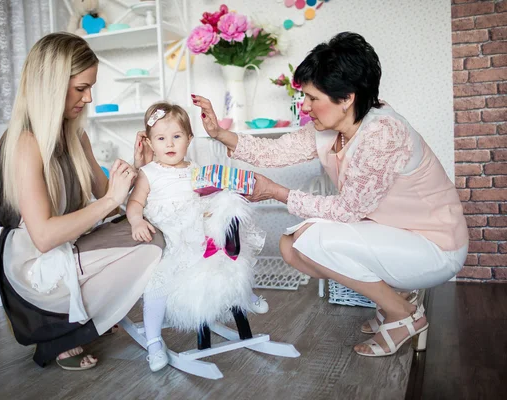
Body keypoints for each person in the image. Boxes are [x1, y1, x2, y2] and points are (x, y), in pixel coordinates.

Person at [192, 32, 468, 357]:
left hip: (435, 245)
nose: (305, 107)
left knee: (312, 240)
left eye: (311, 97)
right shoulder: (330, 128)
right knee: (291, 245)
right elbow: (276, 152)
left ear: (347, 97)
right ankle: (395, 301)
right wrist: (220, 133)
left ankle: (403, 315)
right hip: (395, 234)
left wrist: (276, 192)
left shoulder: (383, 134)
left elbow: (349, 210)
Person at [0, 32, 164, 371]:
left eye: (90, 88)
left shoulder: (75, 134)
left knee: (151, 233)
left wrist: (136, 166)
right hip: (33, 266)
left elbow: (111, 205)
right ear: (52, 85)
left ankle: (89, 315)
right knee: (146, 245)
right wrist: (111, 198)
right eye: (81, 88)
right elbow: (43, 238)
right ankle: (60, 330)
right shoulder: (24, 142)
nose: (88, 98)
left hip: (68, 245)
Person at [126, 102, 266, 372]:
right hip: (170, 239)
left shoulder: (195, 169)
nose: (170, 144)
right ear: (150, 143)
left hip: (199, 234)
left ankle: (245, 294)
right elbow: (134, 204)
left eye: (177, 136)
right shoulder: (148, 173)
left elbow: (208, 195)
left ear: (189, 139)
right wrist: (136, 221)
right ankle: (154, 342)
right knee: (155, 284)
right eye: (161, 138)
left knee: (230, 245)